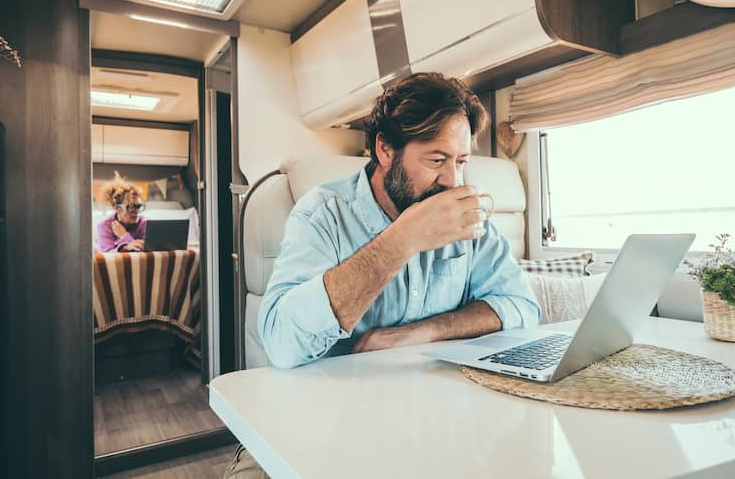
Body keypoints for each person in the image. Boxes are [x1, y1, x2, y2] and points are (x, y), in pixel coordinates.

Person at [226, 74, 541, 478]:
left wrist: (419, 333)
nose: (453, 181)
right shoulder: (321, 214)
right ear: (386, 150)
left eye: (460, 162)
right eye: (437, 160)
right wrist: (403, 240)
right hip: (324, 418)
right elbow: (282, 344)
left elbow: (521, 306)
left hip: (434, 418)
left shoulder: (465, 215)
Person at [95, 175, 147, 253]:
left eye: (138, 206)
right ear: (117, 208)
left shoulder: (144, 223)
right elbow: (107, 257)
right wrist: (125, 247)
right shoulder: (104, 225)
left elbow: (146, 253)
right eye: (131, 207)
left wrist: (124, 236)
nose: (137, 211)